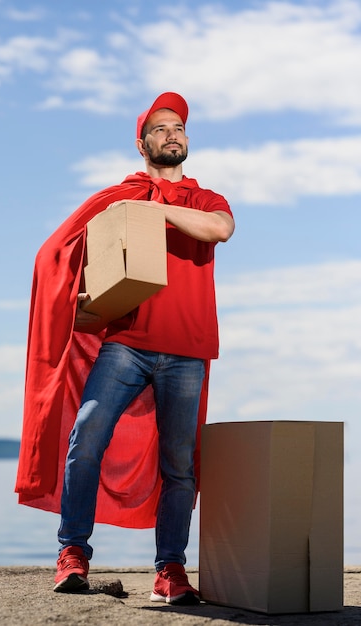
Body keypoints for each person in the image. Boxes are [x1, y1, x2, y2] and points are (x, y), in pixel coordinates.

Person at [15, 92, 234, 605]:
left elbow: (221, 230)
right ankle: (73, 555)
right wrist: (82, 299)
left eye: (178, 126)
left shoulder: (205, 200)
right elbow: (62, 253)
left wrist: (156, 213)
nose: (171, 134)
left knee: (180, 465)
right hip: (127, 343)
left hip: (187, 349)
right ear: (142, 144)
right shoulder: (119, 198)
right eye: (159, 128)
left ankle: (170, 572)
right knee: (86, 437)